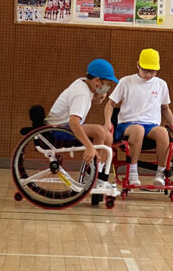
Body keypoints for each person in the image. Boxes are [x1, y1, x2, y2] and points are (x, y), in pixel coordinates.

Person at [104, 48, 173, 187]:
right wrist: (107, 121)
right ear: (138, 65)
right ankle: (133, 172)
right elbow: (110, 104)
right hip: (127, 125)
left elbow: (165, 108)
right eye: (145, 70)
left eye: (152, 71)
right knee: (138, 130)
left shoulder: (161, 84)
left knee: (163, 132)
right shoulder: (126, 82)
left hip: (151, 125)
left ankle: (160, 173)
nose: (149, 75)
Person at [45, 59, 118, 191]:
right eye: (106, 84)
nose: (107, 88)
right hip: (56, 131)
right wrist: (89, 146)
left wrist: (97, 98)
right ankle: (91, 176)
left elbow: (86, 102)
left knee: (108, 137)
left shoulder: (83, 83)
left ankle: (99, 177)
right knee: (99, 131)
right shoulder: (82, 93)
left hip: (62, 127)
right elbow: (74, 122)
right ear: (97, 81)